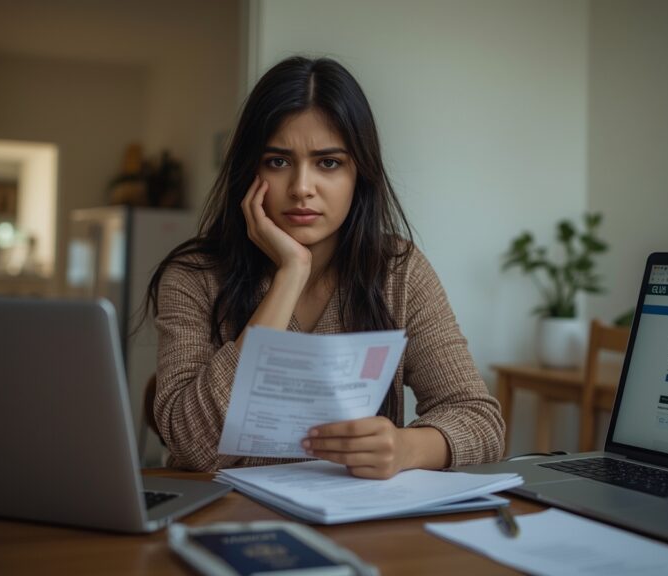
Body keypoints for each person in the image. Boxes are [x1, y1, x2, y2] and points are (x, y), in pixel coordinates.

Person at [146, 56, 504, 479]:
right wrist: (289, 276)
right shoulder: (195, 276)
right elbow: (190, 445)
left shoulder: (398, 272)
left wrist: (406, 447)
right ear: (249, 170)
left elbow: (481, 422)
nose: (301, 188)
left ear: (360, 174)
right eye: (277, 161)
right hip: (226, 518)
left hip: (358, 525)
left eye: (328, 163)